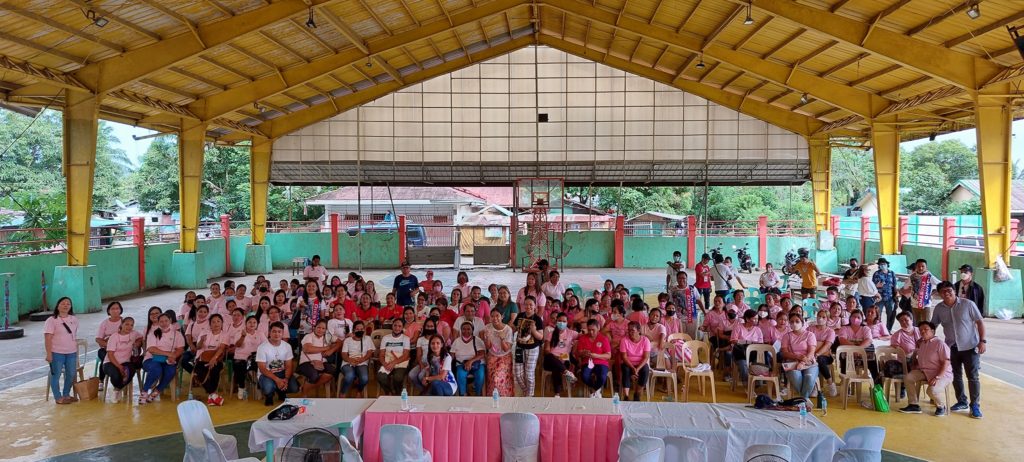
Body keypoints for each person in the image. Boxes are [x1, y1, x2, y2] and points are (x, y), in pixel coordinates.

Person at [931, 281, 985, 418]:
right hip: (951, 347)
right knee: (955, 375)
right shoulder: (939, 308)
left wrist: (982, 341)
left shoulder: (968, 304)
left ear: (954, 290)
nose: (947, 293)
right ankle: (962, 401)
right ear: (939, 294)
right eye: (943, 291)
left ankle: (975, 406)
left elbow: (979, 322)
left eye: (949, 290)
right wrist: (926, 339)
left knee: (972, 377)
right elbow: (933, 325)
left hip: (970, 347)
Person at [899, 321, 954, 416]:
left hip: (942, 374)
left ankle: (941, 406)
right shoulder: (923, 344)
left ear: (933, 331)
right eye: (921, 330)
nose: (923, 332)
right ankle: (914, 404)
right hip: (925, 372)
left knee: (931, 390)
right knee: (908, 377)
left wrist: (937, 377)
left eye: (926, 329)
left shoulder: (939, 343)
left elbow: (946, 362)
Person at [141, 312, 185, 404]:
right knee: (156, 369)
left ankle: (157, 391)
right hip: (151, 359)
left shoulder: (177, 334)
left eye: (166, 321)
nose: (164, 323)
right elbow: (151, 349)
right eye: (161, 321)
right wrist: (168, 354)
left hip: (168, 360)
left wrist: (174, 356)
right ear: (158, 322)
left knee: (171, 371)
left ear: (170, 321)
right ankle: (144, 392)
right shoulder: (153, 333)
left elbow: (180, 349)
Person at [256, 322, 299, 406]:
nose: (277, 334)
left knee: (294, 388)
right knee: (268, 388)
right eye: (274, 331)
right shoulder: (262, 347)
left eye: (279, 332)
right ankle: (269, 396)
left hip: (282, 373)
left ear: (282, 333)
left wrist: (286, 379)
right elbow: (262, 369)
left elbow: (289, 365)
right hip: (267, 374)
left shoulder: (287, 346)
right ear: (269, 332)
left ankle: (281, 391)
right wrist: (278, 380)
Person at [780, 313, 818, 400]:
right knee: (794, 375)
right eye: (792, 322)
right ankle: (805, 398)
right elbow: (784, 353)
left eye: (797, 321)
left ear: (802, 322)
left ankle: (802, 399)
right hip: (792, 362)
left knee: (809, 377)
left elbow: (811, 352)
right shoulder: (786, 336)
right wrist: (798, 357)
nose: (794, 324)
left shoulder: (810, 335)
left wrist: (803, 362)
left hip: (808, 362)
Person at [298, 319, 341, 396]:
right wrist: (327, 348)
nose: (320, 330)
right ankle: (305, 392)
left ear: (326, 330)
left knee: (332, 371)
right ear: (315, 327)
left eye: (323, 328)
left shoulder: (327, 337)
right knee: (314, 375)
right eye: (318, 327)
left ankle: (306, 388)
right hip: (306, 362)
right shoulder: (308, 336)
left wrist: (331, 350)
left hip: (321, 362)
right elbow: (307, 349)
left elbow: (340, 342)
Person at [100, 317, 139, 402]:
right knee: (116, 374)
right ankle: (117, 389)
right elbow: (110, 355)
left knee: (131, 371)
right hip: (110, 362)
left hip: (126, 362)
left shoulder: (133, 334)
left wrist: (137, 343)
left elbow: (141, 337)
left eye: (132, 325)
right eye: (127, 324)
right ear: (121, 324)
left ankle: (116, 390)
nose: (129, 327)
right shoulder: (114, 336)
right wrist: (119, 366)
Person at [194, 313, 229, 406]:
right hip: (202, 358)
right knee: (199, 372)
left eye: (218, 321)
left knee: (215, 370)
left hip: (217, 359)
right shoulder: (204, 332)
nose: (216, 324)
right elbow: (197, 347)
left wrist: (214, 359)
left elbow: (221, 348)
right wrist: (201, 340)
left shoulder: (225, 334)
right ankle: (213, 395)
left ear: (222, 323)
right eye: (213, 322)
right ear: (210, 324)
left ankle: (211, 396)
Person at [513, 296, 545, 397]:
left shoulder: (537, 319)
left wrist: (534, 330)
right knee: (518, 374)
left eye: (531, 304)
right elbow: (513, 329)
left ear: (535, 306)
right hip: (519, 348)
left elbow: (540, 337)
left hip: (532, 349)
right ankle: (526, 390)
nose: (528, 306)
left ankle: (529, 396)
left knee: (529, 375)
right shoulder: (520, 315)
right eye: (526, 304)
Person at [542, 313, 579, 398]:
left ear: (567, 322)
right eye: (559, 321)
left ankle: (557, 394)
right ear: (556, 321)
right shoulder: (551, 333)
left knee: (557, 367)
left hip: (564, 361)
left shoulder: (571, 333)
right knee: (550, 357)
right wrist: (557, 358)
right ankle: (566, 373)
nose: (561, 323)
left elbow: (583, 336)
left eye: (564, 321)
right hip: (550, 360)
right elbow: (546, 350)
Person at [230, 315, 265, 400]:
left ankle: (259, 388)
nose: (252, 324)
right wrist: (243, 336)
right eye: (250, 322)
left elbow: (265, 346)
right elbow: (237, 345)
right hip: (241, 357)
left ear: (257, 324)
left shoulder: (260, 333)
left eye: (254, 322)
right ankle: (241, 387)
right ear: (246, 324)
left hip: (255, 358)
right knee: (239, 366)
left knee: (262, 367)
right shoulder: (239, 333)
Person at [482, 309, 514, 396]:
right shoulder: (487, 328)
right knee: (492, 378)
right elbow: (488, 347)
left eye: (497, 316)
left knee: (498, 378)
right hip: (492, 356)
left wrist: (502, 339)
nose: (495, 318)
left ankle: (504, 397)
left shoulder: (508, 330)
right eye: (492, 316)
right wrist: (487, 338)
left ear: (502, 317)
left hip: (505, 357)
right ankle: (492, 397)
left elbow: (506, 349)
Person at [576, 319, 612, 397]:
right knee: (584, 376)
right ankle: (595, 390)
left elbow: (608, 355)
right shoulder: (582, 338)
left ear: (598, 328)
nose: (591, 332)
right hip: (587, 362)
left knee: (602, 377)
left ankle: (593, 391)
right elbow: (578, 354)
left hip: (601, 363)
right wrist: (583, 353)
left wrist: (597, 356)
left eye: (593, 330)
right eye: (589, 330)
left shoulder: (604, 339)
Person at [339, 320, 375, 397]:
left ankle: (359, 391)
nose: (360, 331)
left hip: (362, 362)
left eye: (362, 329)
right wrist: (350, 360)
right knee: (349, 375)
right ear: (353, 330)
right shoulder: (347, 340)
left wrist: (362, 359)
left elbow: (369, 352)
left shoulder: (368, 339)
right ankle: (343, 392)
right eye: (357, 329)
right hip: (348, 362)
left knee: (364, 378)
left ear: (364, 330)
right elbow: (344, 354)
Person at [376, 318, 411, 396]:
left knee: (398, 377)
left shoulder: (406, 339)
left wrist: (393, 363)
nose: (397, 328)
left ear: (402, 328)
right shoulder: (385, 338)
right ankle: (390, 392)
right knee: (380, 376)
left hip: (401, 363)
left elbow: (406, 355)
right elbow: (381, 354)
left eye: (399, 326)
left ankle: (397, 393)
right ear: (392, 326)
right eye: (395, 325)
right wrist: (384, 364)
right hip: (387, 362)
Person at [450, 321, 486, 396]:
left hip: (477, 363)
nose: (466, 331)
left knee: (480, 375)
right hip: (461, 364)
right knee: (460, 375)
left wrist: (470, 361)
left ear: (472, 330)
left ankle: (478, 394)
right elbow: (452, 355)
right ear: (461, 330)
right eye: (463, 329)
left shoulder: (477, 340)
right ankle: (463, 394)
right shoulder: (457, 341)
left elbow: (482, 354)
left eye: (468, 329)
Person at [730, 310, 764, 386]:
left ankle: (757, 384)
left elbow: (761, 343)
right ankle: (747, 385)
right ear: (747, 319)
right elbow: (733, 340)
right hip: (741, 353)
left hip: (754, 353)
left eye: (757, 318)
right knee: (743, 365)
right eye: (754, 319)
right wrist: (747, 342)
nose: (756, 320)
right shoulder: (738, 327)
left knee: (758, 364)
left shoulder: (758, 329)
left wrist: (751, 343)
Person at [94, 301, 124, 389]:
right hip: (106, 349)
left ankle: (117, 378)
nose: (115, 311)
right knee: (105, 358)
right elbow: (98, 339)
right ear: (108, 311)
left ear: (120, 310)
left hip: (121, 350)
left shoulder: (124, 322)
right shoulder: (104, 323)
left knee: (112, 360)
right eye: (112, 309)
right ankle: (101, 380)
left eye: (117, 308)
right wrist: (108, 345)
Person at [619, 321, 651, 401]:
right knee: (625, 369)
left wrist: (637, 369)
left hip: (641, 363)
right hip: (628, 363)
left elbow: (646, 357)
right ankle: (626, 396)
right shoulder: (624, 340)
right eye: (629, 330)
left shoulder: (645, 340)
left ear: (639, 331)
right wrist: (633, 368)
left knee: (645, 370)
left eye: (632, 330)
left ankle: (637, 393)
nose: (630, 332)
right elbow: (624, 357)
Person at [809, 310, 837, 396]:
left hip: (825, 356)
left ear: (827, 319)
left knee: (819, 360)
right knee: (811, 362)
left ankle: (830, 383)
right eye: (819, 316)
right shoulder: (810, 329)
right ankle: (815, 386)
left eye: (823, 317)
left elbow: (827, 345)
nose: (820, 318)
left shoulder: (830, 331)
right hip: (811, 354)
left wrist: (816, 354)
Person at [670, 271, 705, 339]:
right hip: (679, 318)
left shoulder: (692, 288)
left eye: (683, 278)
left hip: (691, 318)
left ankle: (691, 349)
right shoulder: (673, 290)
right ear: (677, 279)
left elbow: (698, 300)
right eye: (679, 278)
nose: (681, 280)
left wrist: (704, 312)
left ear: (686, 279)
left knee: (691, 336)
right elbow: (671, 303)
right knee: (681, 336)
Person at [872, 258, 899, 331]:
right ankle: (877, 330)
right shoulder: (876, 274)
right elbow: (872, 285)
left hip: (890, 298)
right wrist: (877, 285)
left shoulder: (891, 273)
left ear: (887, 265)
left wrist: (896, 294)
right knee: (877, 315)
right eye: (881, 264)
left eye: (884, 264)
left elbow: (895, 285)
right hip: (879, 298)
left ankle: (888, 330)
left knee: (890, 315)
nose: (883, 265)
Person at [908, 259, 936, 324]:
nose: (920, 268)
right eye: (918, 266)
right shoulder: (912, 276)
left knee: (926, 324)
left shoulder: (930, 276)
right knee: (917, 325)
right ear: (916, 267)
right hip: (914, 305)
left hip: (926, 304)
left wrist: (932, 295)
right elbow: (907, 287)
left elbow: (940, 285)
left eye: (923, 266)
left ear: (926, 267)